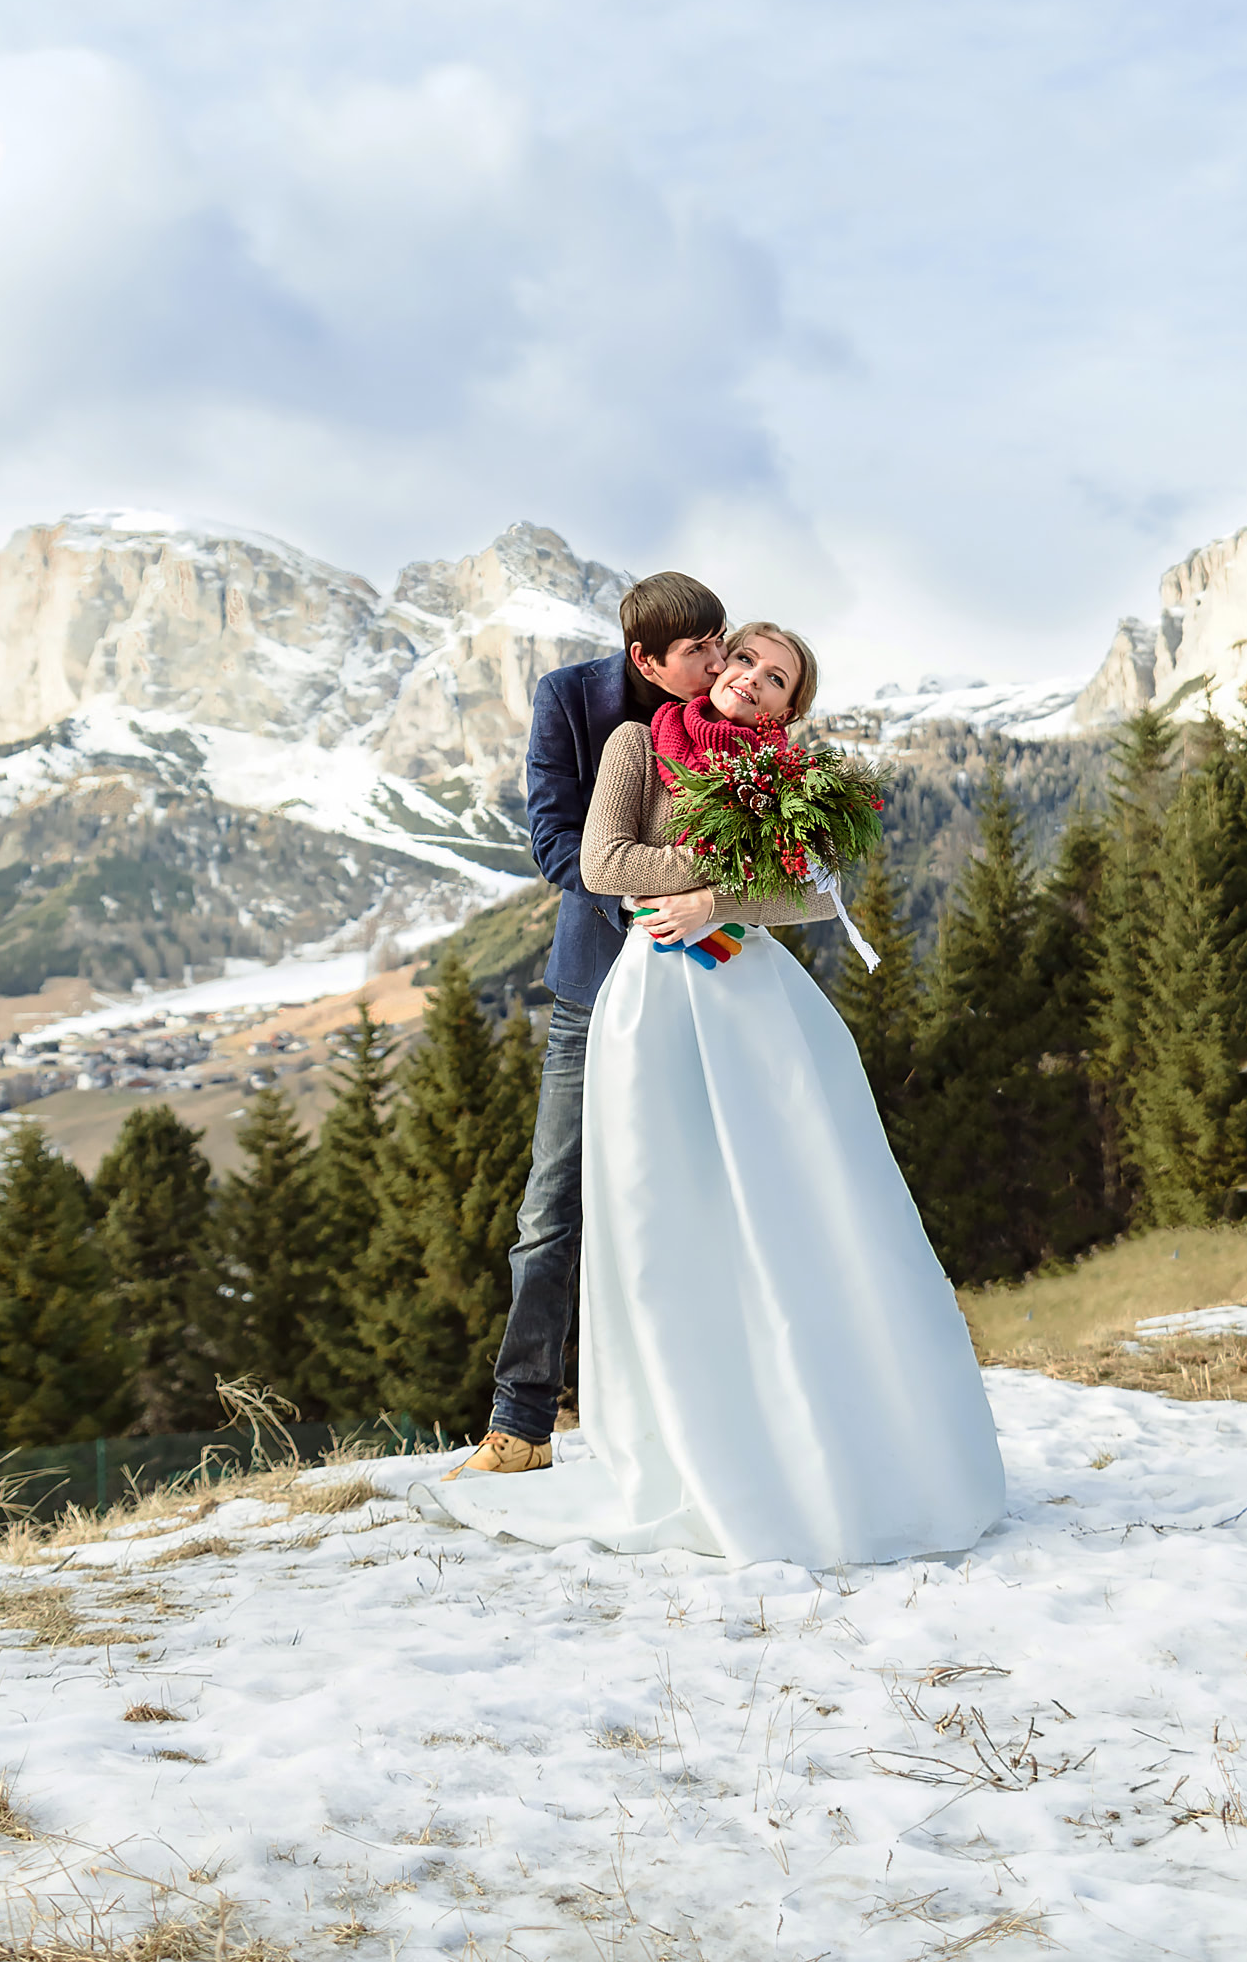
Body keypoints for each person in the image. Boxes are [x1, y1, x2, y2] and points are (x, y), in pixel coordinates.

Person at [419, 622, 1009, 1566]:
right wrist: (730, 880)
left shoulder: (795, 774)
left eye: (780, 681)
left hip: (753, 1001)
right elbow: (606, 863)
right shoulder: (637, 746)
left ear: (789, 706)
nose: (758, 684)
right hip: (651, 996)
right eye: (748, 663)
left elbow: (818, 893)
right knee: (663, 1206)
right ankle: (664, 1438)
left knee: (793, 1203)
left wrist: (721, 906)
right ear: (718, 664)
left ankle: (820, 1436)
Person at [447, 572, 731, 1478]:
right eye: (700, 651)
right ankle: (520, 1427)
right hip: (597, 983)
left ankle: (710, 1421)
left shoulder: (742, 713)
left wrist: (717, 898)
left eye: (723, 642)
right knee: (551, 1206)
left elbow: (786, 860)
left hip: (716, 984)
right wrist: (660, 899)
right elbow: (556, 841)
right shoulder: (571, 701)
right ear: (645, 658)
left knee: (716, 1197)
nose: (721, 663)